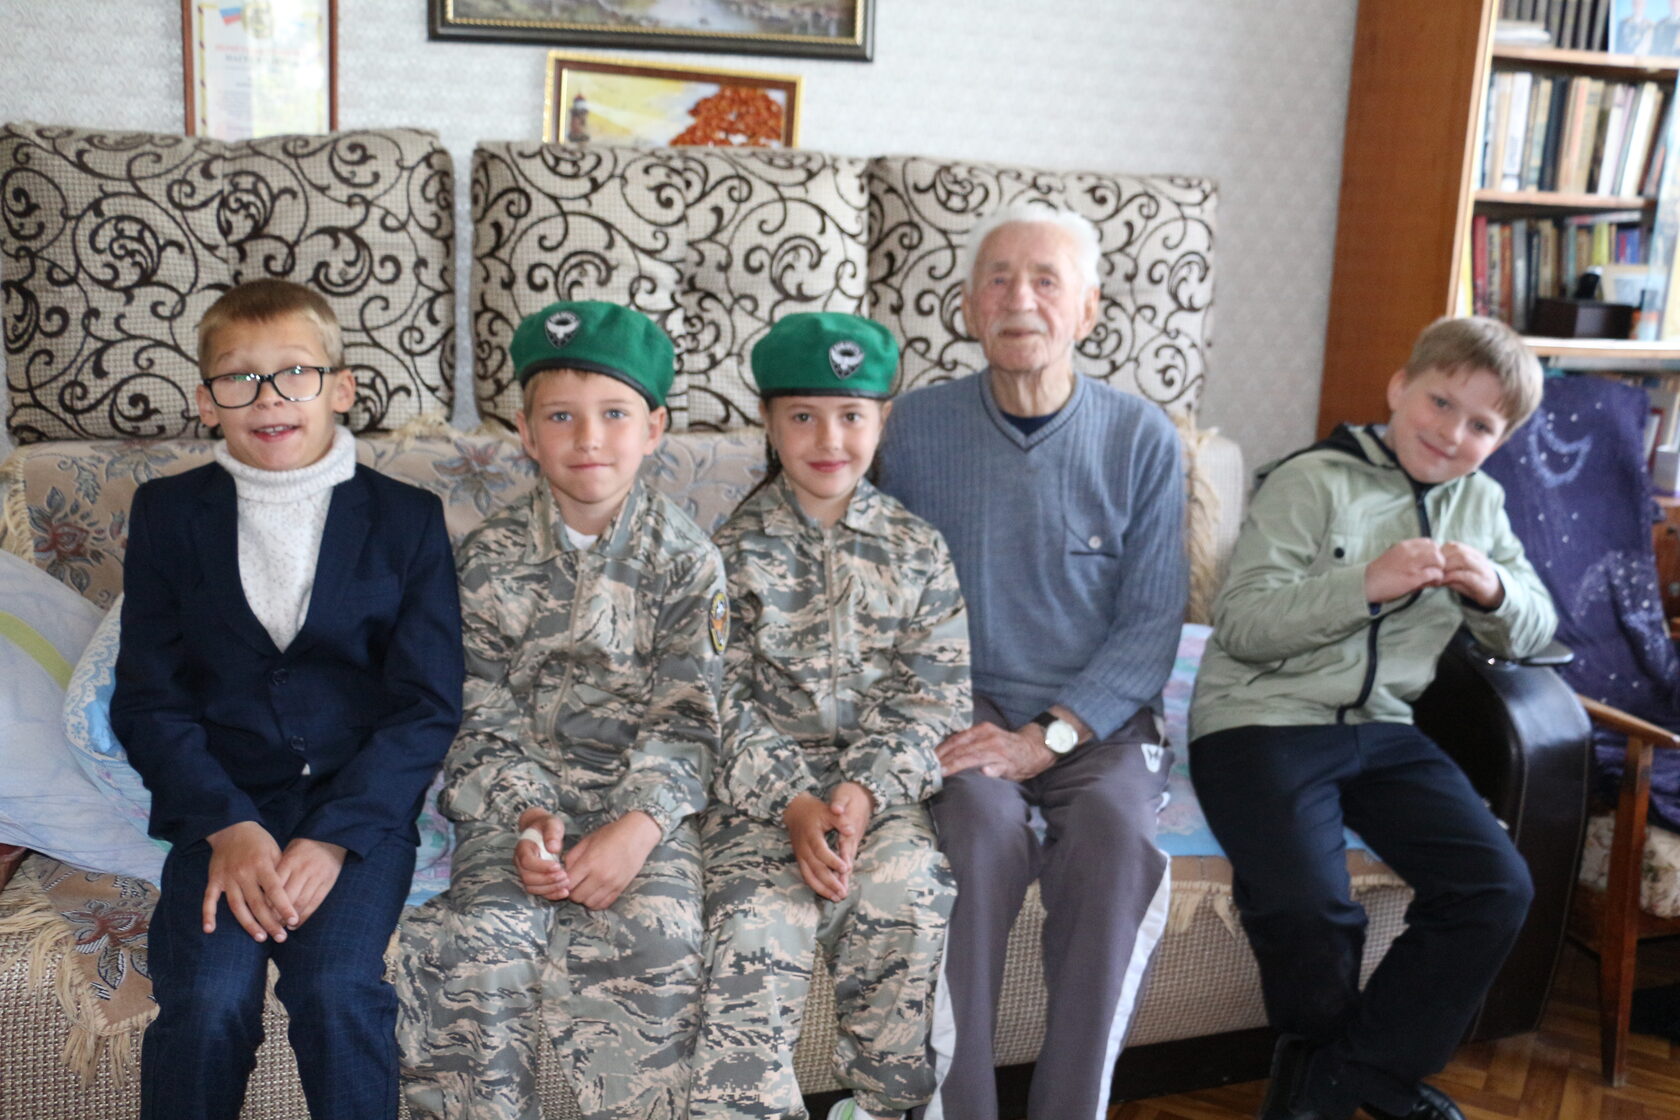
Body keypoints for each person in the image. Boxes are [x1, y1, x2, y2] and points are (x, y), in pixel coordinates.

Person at [111, 278, 465, 1120]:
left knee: (339, 991)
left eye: (295, 373)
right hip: (224, 808)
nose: (268, 397)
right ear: (207, 401)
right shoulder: (167, 513)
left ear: (341, 388)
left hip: (358, 814)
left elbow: (426, 703)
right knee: (207, 1002)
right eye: (240, 377)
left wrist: (337, 836)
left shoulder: (408, 518)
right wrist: (228, 827)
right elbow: (149, 700)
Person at [1187, 316, 1556, 1120]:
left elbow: (1536, 630)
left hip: (1384, 728)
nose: (1451, 433)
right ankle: (1351, 1083)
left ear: (1501, 441)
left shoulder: (1482, 504)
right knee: (1309, 910)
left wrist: (1495, 590)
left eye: (1481, 425)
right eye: (1440, 402)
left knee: (1497, 886)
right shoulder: (1311, 480)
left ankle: (1348, 1078)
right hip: (1260, 717)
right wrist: (1365, 584)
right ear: (1398, 387)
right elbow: (1242, 625)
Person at [876, 203, 1189, 1120]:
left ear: (1087, 310)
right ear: (969, 307)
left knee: (1116, 844)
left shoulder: (1142, 437)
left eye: (1047, 281)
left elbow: (1152, 623)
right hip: (962, 710)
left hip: (1099, 720)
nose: (1021, 299)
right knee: (974, 836)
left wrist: (1050, 735)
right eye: (1000, 279)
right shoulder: (910, 430)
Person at [396, 300, 726, 1120]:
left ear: (654, 428)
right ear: (526, 431)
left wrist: (638, 827)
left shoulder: (687, 563)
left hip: (640, 810)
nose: (588, 438)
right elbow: (475, 708)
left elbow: (690, 719)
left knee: (660, 941)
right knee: (476, 947)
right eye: (561, 416)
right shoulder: (487, 559)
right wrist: (525, 815)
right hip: (513, 810)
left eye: (614, 414)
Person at [688, 313, 969, 1120]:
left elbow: (936, 694)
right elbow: (714, 701)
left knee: (909, 895)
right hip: (758, 803)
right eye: (803, 416)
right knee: (752, 927)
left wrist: (866, 790)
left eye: (851, 415)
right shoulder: (726, 555)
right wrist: (794, 800)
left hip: (880, 800)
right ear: (769, 423)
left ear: (883, 420)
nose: (829, 438)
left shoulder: (918, 549)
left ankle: (884, 1107)